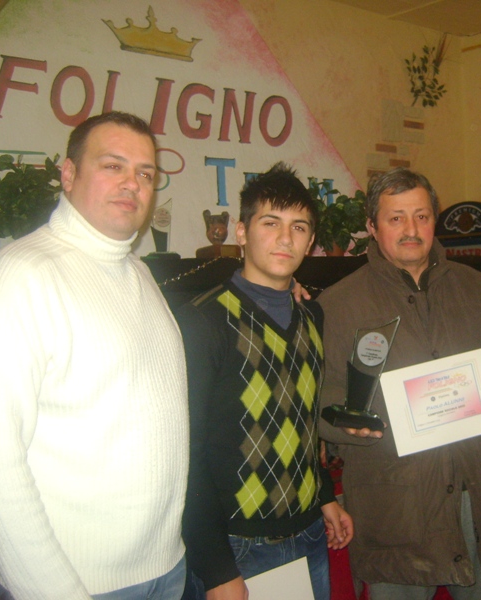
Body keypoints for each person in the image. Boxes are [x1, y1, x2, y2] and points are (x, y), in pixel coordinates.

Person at [0, 112, 189, 599]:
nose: (132, 184)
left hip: (166, 569)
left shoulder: (138, 273)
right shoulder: (20, 277)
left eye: (145, 173)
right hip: (77, 584)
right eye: (113, 166)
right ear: (69, 174)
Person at [318, 167, 481, 600]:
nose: (411, 230)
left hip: (479, 498)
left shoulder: (478, 289)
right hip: (394, 508)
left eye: (421, 216)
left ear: (434, 219)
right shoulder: (336, 305)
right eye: (396, 218)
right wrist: (347, 423)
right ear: (372, 226)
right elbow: (317, 399)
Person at [176, 162, 353, 600]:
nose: (285, 238)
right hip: (238, 545)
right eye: (270, 223)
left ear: (310, 241)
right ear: (242, 232)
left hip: (309, 533)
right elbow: (186, 452)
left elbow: (302, 420)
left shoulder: (312, 316)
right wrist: (215, 569)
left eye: (299, 227)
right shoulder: (204, 321)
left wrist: (325, 496)